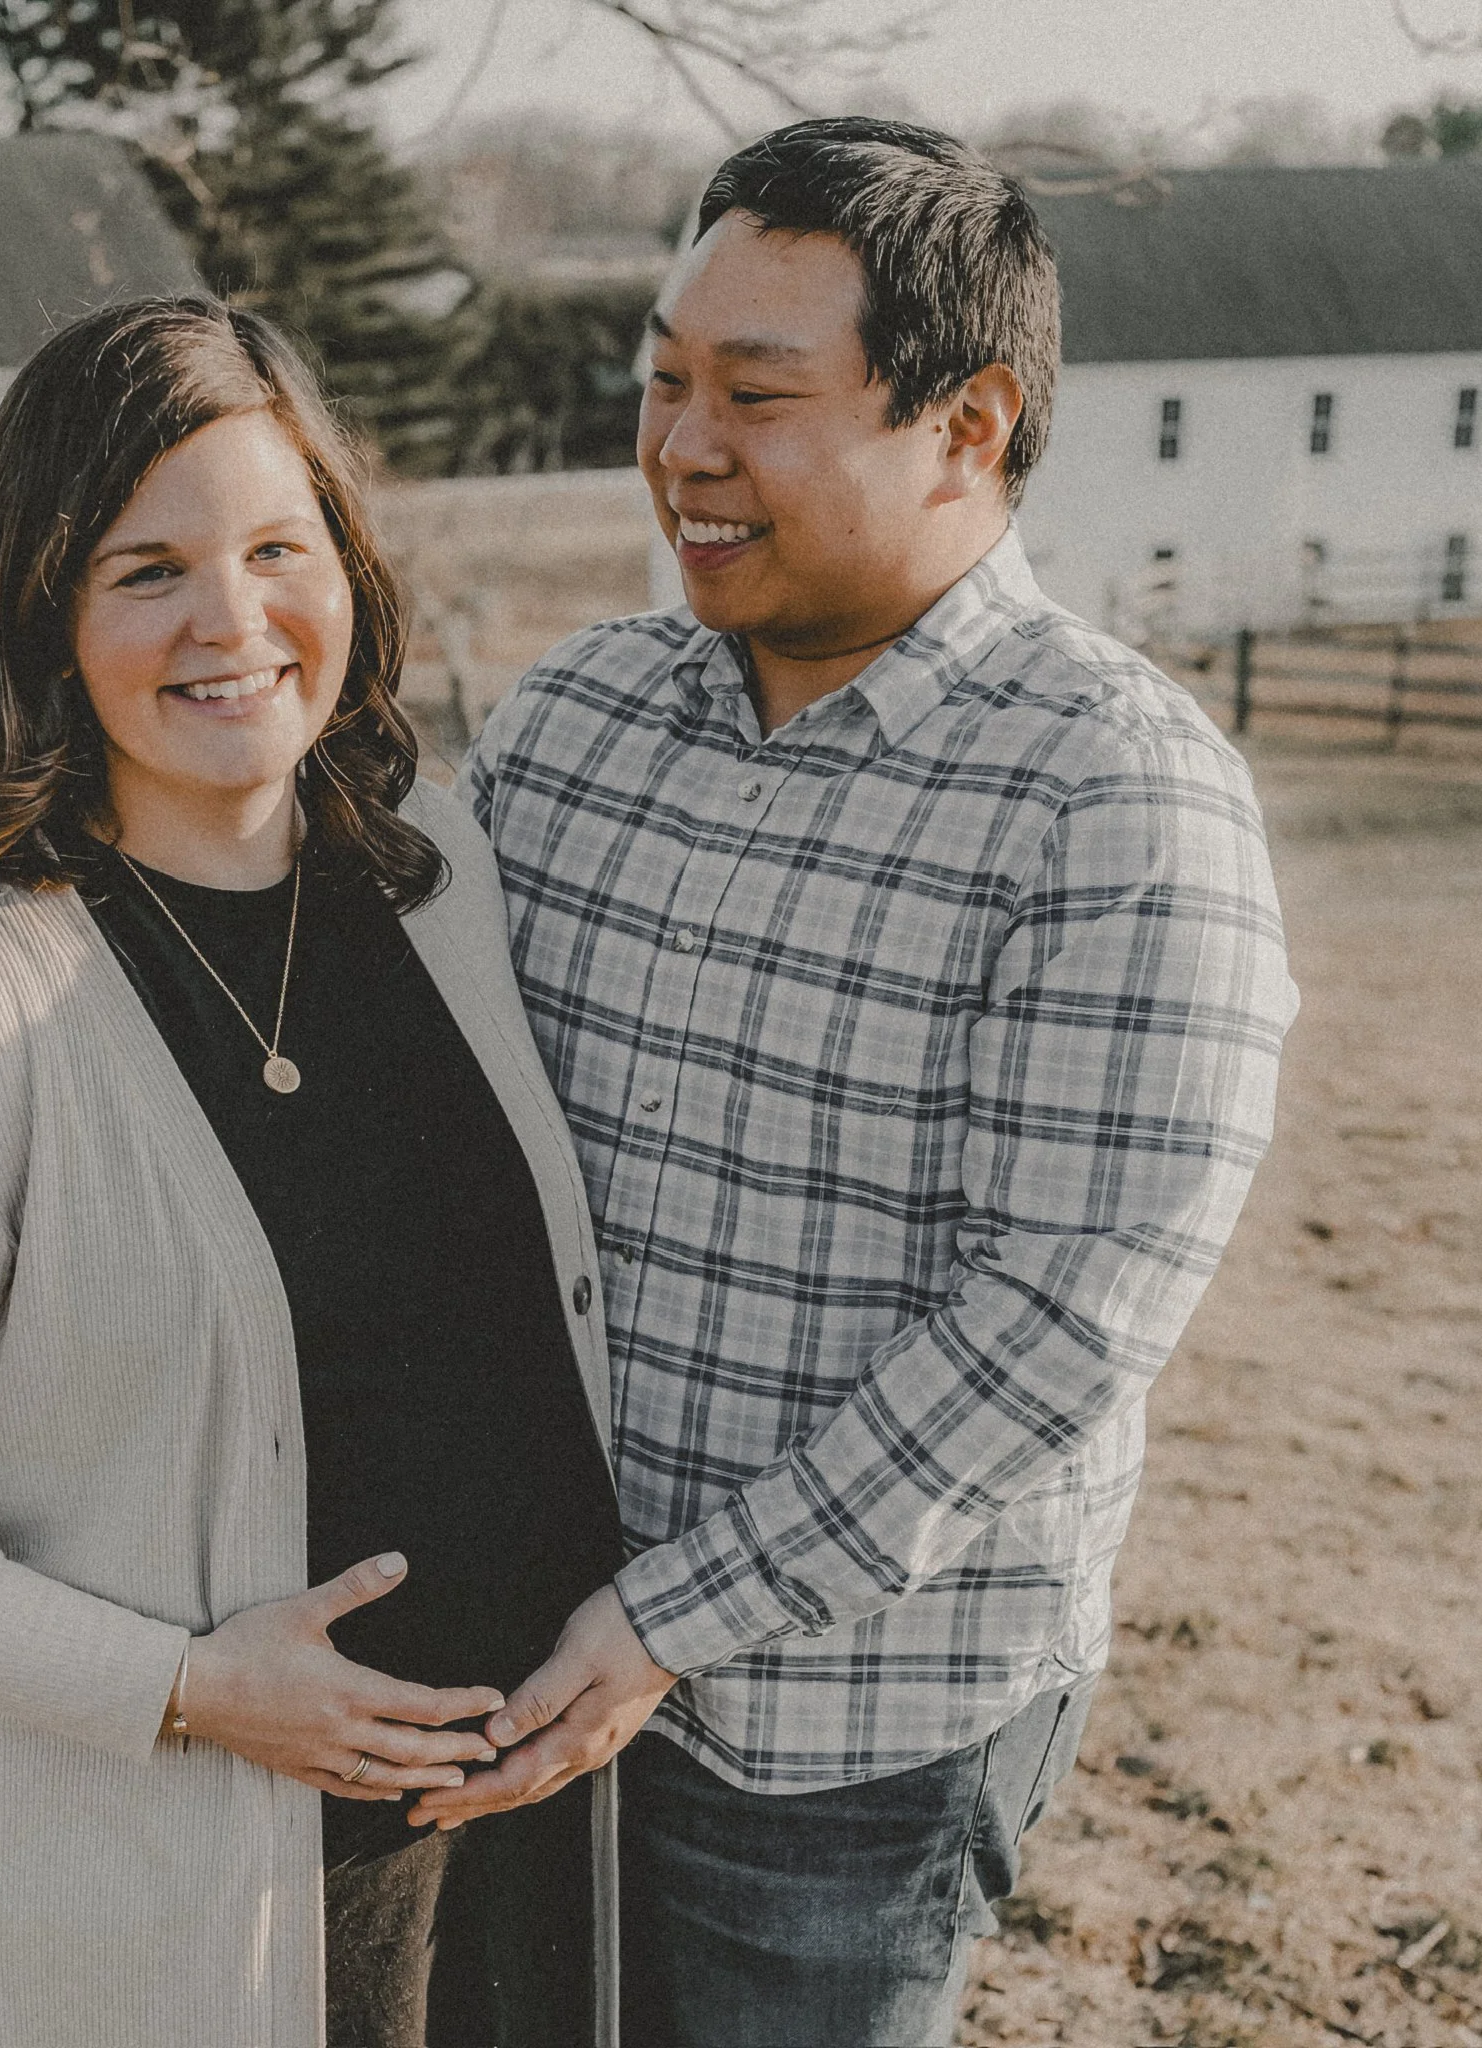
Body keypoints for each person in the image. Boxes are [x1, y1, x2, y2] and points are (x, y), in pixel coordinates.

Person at [417, 118, 1301, 2046]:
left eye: (757, 394)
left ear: (968, 425)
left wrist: (667, 1619)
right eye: (662, 381)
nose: (681, 448)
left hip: (839, 1743)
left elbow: (1059, 1320)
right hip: (518, 1664)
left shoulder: (1114, 797)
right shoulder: (574, 723)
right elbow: (420, 1111)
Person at [0, 295, 627, 2048]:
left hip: (532, 1848)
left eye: (282, 547)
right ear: (43, 608)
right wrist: (192, 1692)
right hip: (203, 1897)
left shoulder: (447, 893)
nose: (234, 620)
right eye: (147, 571)